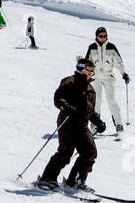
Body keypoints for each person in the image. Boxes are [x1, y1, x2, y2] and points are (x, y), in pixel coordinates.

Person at [35, 58, 100, 192]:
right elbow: (58, 98)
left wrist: (97, 121)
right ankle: (47, 179)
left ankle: (76, 180)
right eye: (89, 69)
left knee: (89, 152)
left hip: (82, 125)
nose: (91, 72)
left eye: (93, 70)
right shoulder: (69, 82)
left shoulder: (91, 89)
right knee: (65, 153)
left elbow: (90, 110)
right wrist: (66, 106)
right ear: (81, 67)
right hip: (68, 122)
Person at [86, 26, 128, 133]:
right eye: (101, 36)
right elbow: (88, 63)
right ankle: (95, 124)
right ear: (97, 36)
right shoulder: (92, 47)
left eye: (105, 36)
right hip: (95, 78)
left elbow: (119, 62)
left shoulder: (111, 47)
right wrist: (86, 74)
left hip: (108, 76)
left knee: (111, 100)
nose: (103, 37)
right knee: (96, 101)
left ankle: (119, 124)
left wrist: (123, 73)